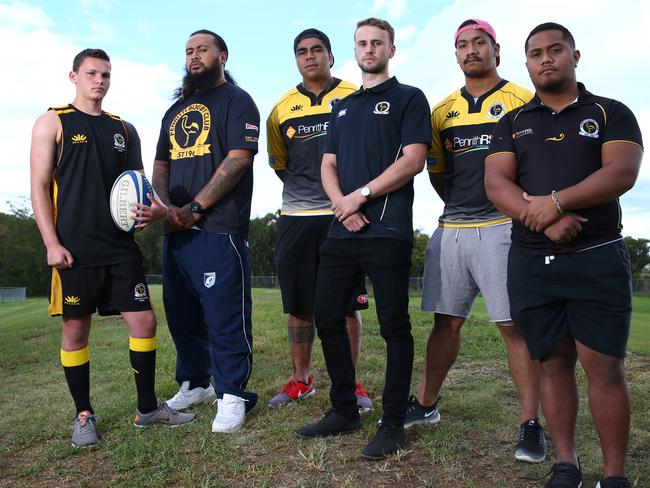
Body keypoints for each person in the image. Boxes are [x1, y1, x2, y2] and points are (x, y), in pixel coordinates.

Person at [485, 22, 643, 488]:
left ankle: (614, 474)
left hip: (597, 256)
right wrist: (548, 218)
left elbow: (622, 173)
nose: (546, 59)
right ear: (527, 63)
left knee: (604, 368)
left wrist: (557, 201)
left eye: (556, 50)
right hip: (532, 262)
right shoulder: (513, 121)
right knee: (552, 364)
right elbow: (497, 184)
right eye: (536, 53)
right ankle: (567, 464)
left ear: (576, 55)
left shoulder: (610, 111)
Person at [30, 48, 195, 448]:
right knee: (75, 330)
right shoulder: (53, 122)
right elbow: (37, 186)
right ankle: (83, 413)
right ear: (74, 77)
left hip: (120, 246)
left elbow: (138, 185)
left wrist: (155, 209)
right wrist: (51, 243)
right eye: (91, 73)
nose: (99, 80)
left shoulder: (125, 129)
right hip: (74, 250)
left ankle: (147, 408)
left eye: (105, 74)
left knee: (144, 323)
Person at [406, 19, 545, 463]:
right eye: (462, 45)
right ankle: (426, 405)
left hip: (505, 228)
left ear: (495, 49)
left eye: (479, 43)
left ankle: (530, 424)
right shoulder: (442, 111)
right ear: (456, 54)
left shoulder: (523, 100)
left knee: (513, 326)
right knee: (445, 322)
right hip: (453, 228)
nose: (471, 51)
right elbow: (439, 173)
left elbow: (538, 163)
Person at [296, 18, 431, 460]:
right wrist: (342, 204)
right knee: (327, 316)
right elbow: (327, 165)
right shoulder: (344, 106)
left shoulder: (409, 99)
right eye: (362, 43)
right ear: (354, 50)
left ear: (391, 49)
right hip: (342, 229)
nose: (369, 48)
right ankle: (344, 409)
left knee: (394, 326)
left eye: (377, 43)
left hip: (387, 230)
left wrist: (362, 197)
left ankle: (392, 423)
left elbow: (412, 161)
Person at [152, 30, 260, 434]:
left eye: (202, 49)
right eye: (189, 51)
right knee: (182, 315)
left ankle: (231, 393)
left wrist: (196, 209)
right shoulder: (176, 109)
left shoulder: (237, 101)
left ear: (223, 56)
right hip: (176, 229)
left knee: (224, 316)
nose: (194, 56)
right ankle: (196, 383)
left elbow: (237, 160)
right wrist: (166, 209)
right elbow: (161, 164)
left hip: (218, 228)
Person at [266, 28, 372, 412]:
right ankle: (302, 380)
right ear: (296, 59)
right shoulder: (281, 108)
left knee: (346, 306)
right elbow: (281, 164)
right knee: (299, 306)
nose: (309, 57)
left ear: (331, 55)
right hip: (296, 217)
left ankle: (351, 382)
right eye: (301, 52)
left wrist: (347, 198)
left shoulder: (354, 97)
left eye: (316, 50)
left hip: (343, 215)